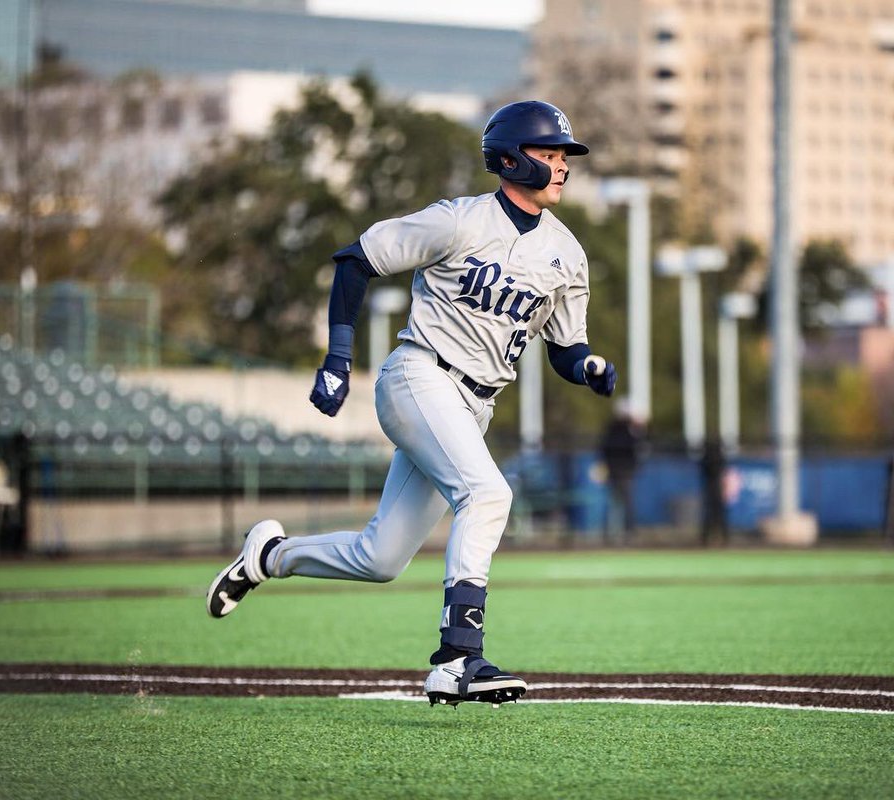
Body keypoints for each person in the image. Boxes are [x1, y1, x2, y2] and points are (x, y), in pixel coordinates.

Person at [205, 100, 617, 706]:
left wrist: (586, 366)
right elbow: (357, 260)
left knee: (381, 558)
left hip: (473, 407)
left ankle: (268, 556)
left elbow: (564, 346)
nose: (561, 166)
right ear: (509, 160)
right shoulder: (458, 221)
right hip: (420, 377)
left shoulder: (567, 254)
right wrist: (337, 360)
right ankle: (458, 659)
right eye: (548, 154)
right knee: (488, 493)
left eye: (564, 156)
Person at [600, 399, 644, 544]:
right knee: (621, 503)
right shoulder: (626, 431)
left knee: (617, 503)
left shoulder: (616, 429)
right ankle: (622, 533)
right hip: (622, 471)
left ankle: (615, 533)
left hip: (619, 471)